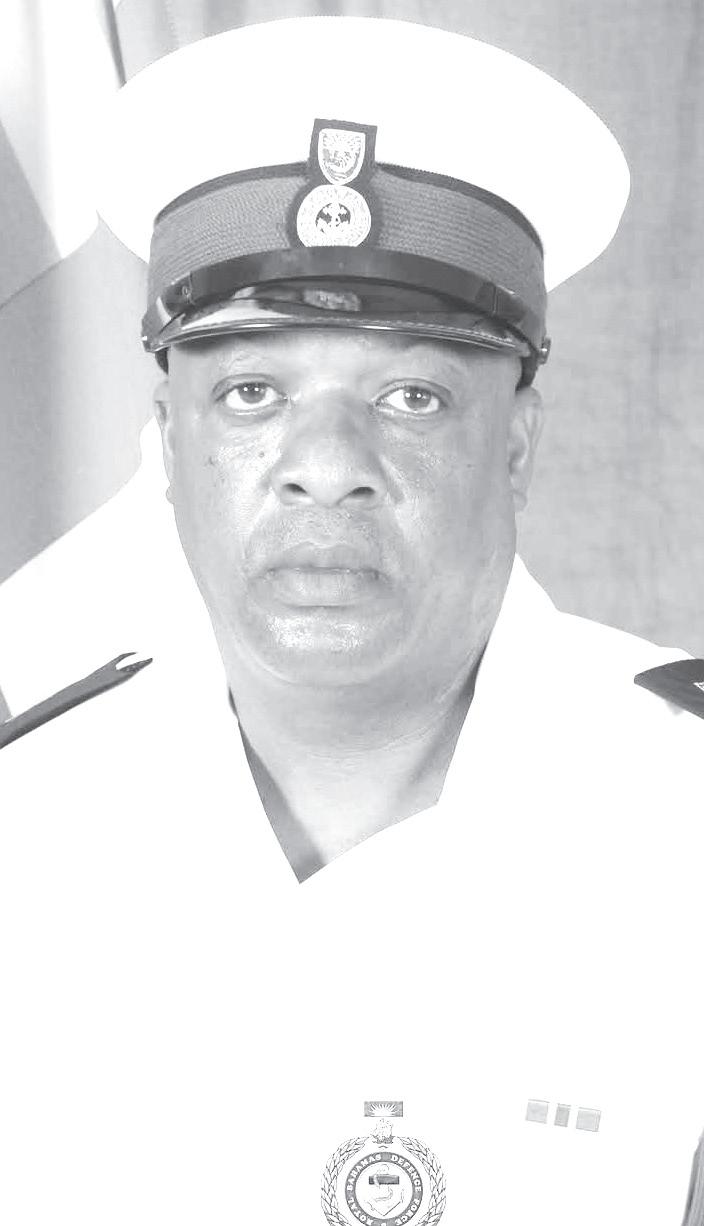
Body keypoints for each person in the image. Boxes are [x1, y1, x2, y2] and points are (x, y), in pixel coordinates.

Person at [0, 16, 702, 1226]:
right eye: (250, 391)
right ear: (166, 441)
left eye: (410, 394)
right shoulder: (29, 820)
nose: (324, 465)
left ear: (515, 443)